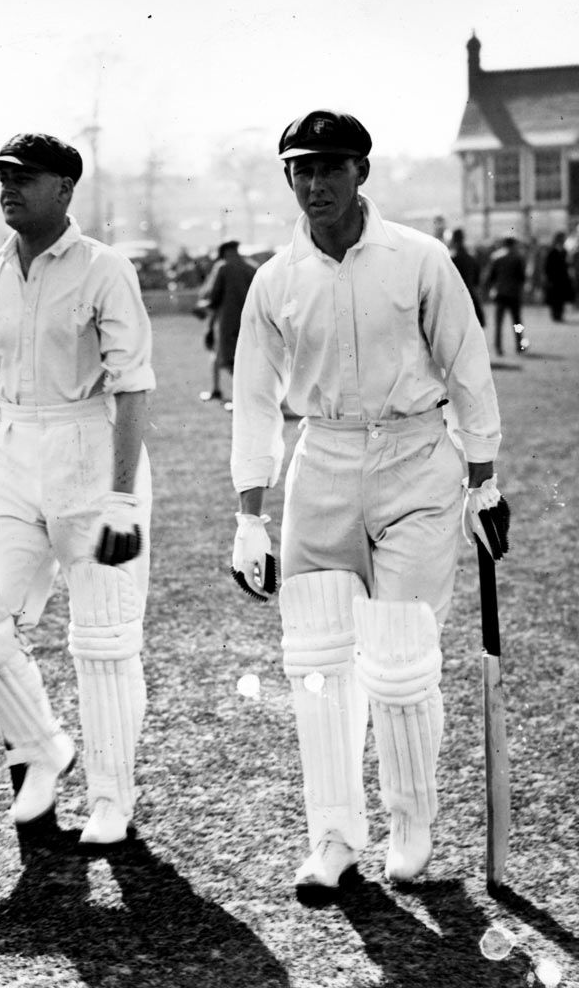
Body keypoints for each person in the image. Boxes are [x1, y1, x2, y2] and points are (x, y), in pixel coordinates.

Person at [228, 109, 502, 892]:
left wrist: (483, 483)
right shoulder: (275, 282)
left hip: (417, 458)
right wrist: (250, 515)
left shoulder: (418, 259)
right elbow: (254, 401)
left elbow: (467, 368)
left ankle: (411, 826)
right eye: (301, 169)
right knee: (317, 663)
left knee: (401, 659)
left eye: (332, 167)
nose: (316, 183)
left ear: (362, 173)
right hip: (324, 461)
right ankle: (334, 838)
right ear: (287, 178)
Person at [0, 132, 155, 852]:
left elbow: (133, 385)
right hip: (10, 455)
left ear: (66, 188)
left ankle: (113, 799)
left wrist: (120, 498)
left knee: (104, 640)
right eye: (2, 176)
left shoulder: (102, 269)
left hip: (91, 449)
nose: (9, 187)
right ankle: (44, 745)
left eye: (25, 176)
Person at [199, 240, 256, 405]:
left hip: (227, 321)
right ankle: (221, 391)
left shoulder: (222, 267)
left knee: (225, 358)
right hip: (250, 320)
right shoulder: (252, 267)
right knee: (243, 358)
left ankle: (235, 395)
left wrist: (204, 306)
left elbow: (213, 295)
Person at [483, 235, 526, 354]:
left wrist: (488, 290)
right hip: (514, 293)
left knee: (499, 323)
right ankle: (519, 344)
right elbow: (522, 277)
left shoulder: (496, 257)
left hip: (500, 293)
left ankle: (498, 346)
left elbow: (490, 276)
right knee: (517, 322)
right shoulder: (518, 257)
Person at [447, 228, 484, 327]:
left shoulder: (451, 258)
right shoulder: (471, 258)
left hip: (455, 298)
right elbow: (477, 280)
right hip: (470, 295)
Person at [542, 231, 573, 324]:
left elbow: (567, 264)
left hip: (562, 278)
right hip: (554, 278)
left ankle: (559, 314)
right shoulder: (552, 251)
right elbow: (547, 266)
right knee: (554, 298)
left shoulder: (564, 251)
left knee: (561, 297)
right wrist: (548, 277)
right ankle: (555, 315)